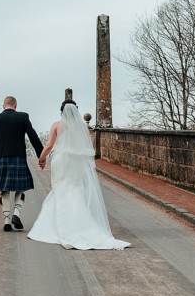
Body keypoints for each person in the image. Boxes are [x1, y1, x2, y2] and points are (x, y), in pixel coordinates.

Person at [28, 100, 131, 250]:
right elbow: (87, 147)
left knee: (62, 189)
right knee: (76, 189)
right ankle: (82, 224)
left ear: (62, 111)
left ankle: (63, 226)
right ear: (76, 111)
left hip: (62, 161)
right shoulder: (82, 126)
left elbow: (49, 145)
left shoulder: (57, 125)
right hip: (77, 163)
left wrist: (41, 158)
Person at [0, 96, 44, 232]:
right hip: (19, 157)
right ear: (15, 105)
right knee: (20, 188)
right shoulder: (23, 117)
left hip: (1, 158)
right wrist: (41, 155)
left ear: (3, 106)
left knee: (4, 189)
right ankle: (16, 214)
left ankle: (7, 222)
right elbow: (33, 136)